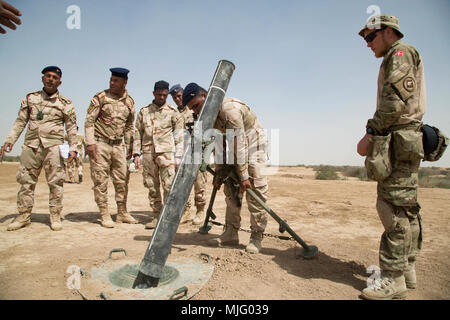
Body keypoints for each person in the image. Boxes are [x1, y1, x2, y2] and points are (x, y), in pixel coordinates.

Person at [356, 14, 426, 300]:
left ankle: (393, 280)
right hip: (406, 138)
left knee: (392, 208)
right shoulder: (401, 55)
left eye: (371, 37)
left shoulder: (399, 53)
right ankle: (407, 268)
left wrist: (371, 133)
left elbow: (393, 102)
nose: (368, 44)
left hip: (397, 138)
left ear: (387, 32)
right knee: (406, 208)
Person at [182, 83, 269, 254]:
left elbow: (240, 144)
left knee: (255, 190)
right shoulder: (207, 116)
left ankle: (257, 235)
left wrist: (243, 175)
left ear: (206, 96)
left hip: (252, 147)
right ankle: (231, 233)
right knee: (231, 191)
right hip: (232, 147)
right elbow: (218, 144)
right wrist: (221, 171)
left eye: (197, 106)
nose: (196, 112)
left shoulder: (230, 109)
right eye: (192, 109)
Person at [1, 66, 79, 231]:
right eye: (48, 76)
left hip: (54, 147)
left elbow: (72, 128)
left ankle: (55, 216)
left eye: (54, 78)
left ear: (60, 82)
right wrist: (10, 140)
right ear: (43, 78)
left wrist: (74, 148)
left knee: (56, 183)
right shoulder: (31, 99)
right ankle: (23, 216)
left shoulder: (65, 103)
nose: (51, 79)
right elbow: (20, 121)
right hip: (32, 146)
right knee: (26, 182)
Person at [84, 68, 137, 228]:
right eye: (111, 80)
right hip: (100, 144)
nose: (112, 83)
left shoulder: (129, 102)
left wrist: (130, 146)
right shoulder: (100, 98)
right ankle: (104, 213)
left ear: (124, 82)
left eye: (116, 81)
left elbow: (129, 126)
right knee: (100, 180)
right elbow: (89, 122)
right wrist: (90, 143)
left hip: (119, 146)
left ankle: (122, 212)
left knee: (122, 180)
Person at [133, 81, 184, 229]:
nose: (162, 97)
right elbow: (137, 133)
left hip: (167, 154)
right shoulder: (144, 112)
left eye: (164, 95)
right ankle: (156, 216)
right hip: (148, 153)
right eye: (159, 94)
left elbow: (179, 136)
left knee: (169, 186)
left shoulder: (173, 112)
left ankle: (168, 218)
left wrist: (178, 156)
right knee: (152, 187)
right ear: (153, 93)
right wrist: (136, 153)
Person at [169, 83, 208, 225]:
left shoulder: (195, 107)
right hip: (181, 152)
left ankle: (200, 211)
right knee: (181, 185)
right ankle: (186, 211)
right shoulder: (174, 113)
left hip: (197, 151)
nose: (177, 99)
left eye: (179, 96)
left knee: (199, 183)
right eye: (174, 97)